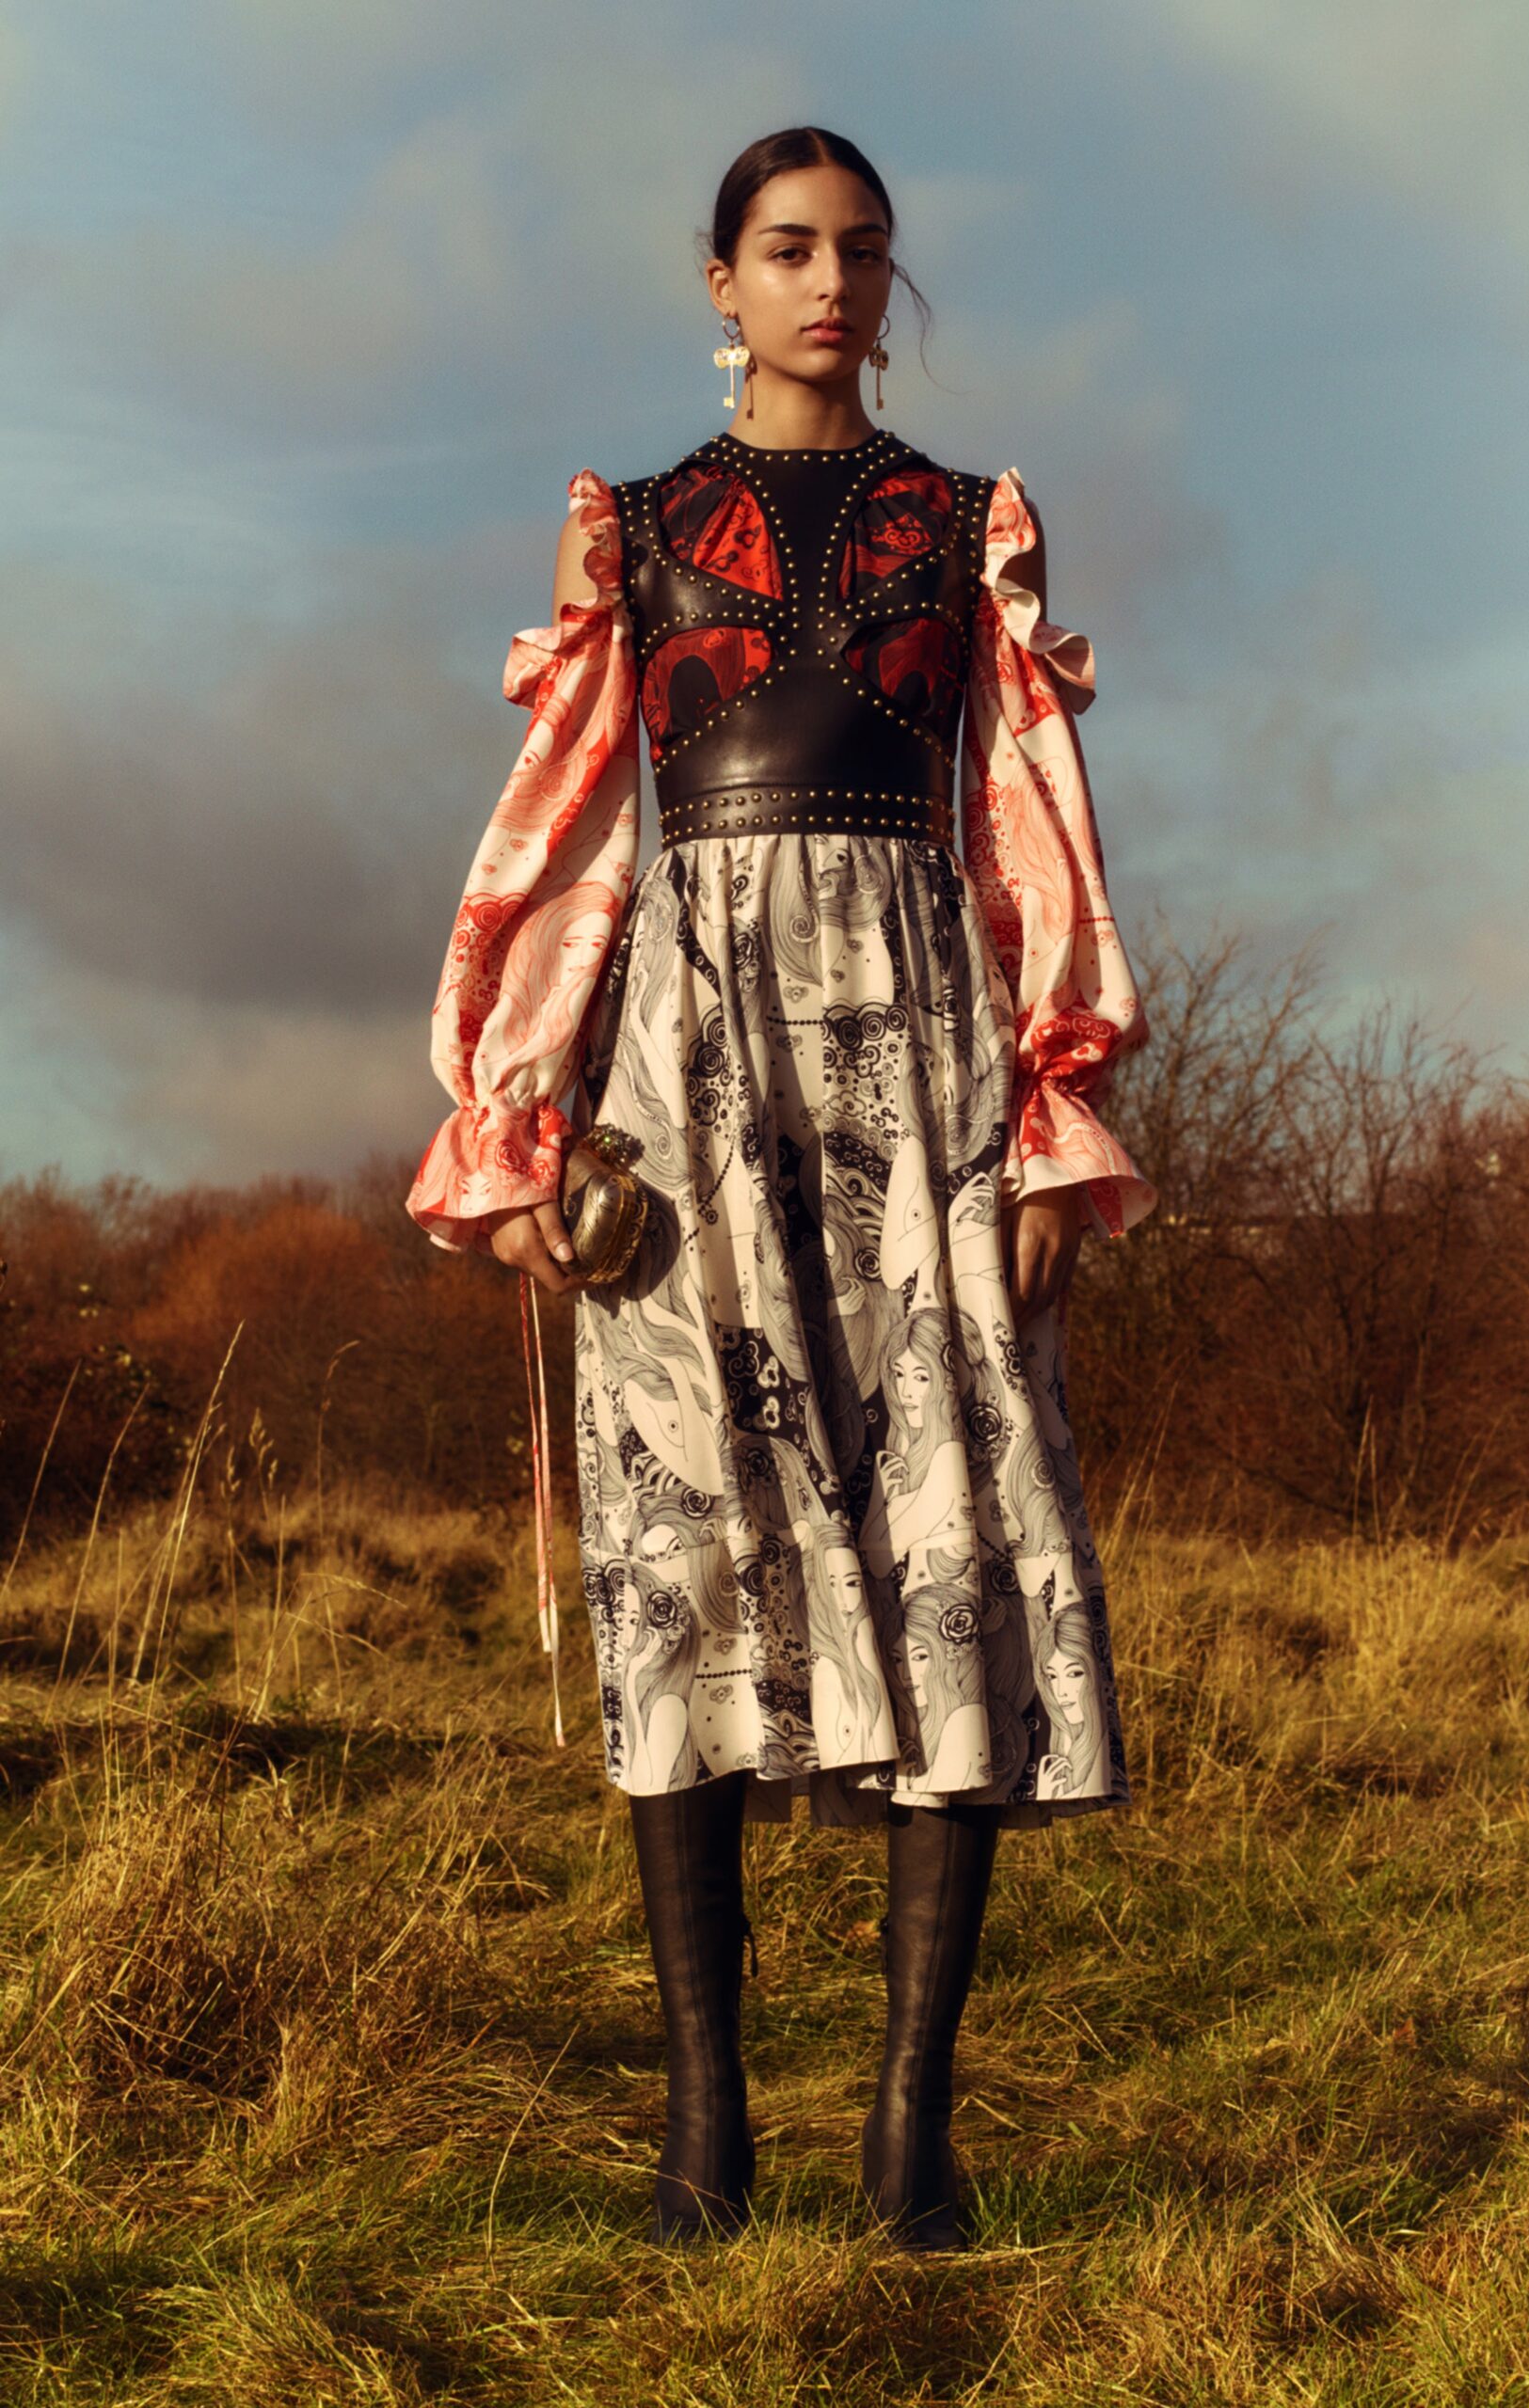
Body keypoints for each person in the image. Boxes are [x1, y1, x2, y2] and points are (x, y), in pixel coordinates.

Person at [404, 125, 1158, 2255]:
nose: (832, 283)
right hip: (685, 1072)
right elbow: (555, 840)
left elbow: (1032, 834)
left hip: (919, 1077)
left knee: (950, 1532)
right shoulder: (627, 530)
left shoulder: (960, 523)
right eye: (788, 249)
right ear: (716, 280)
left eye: (863, 253)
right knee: (678, 1558)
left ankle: (908, 2137)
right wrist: (522, 1125)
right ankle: (701, 2133)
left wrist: (1048, 1112)